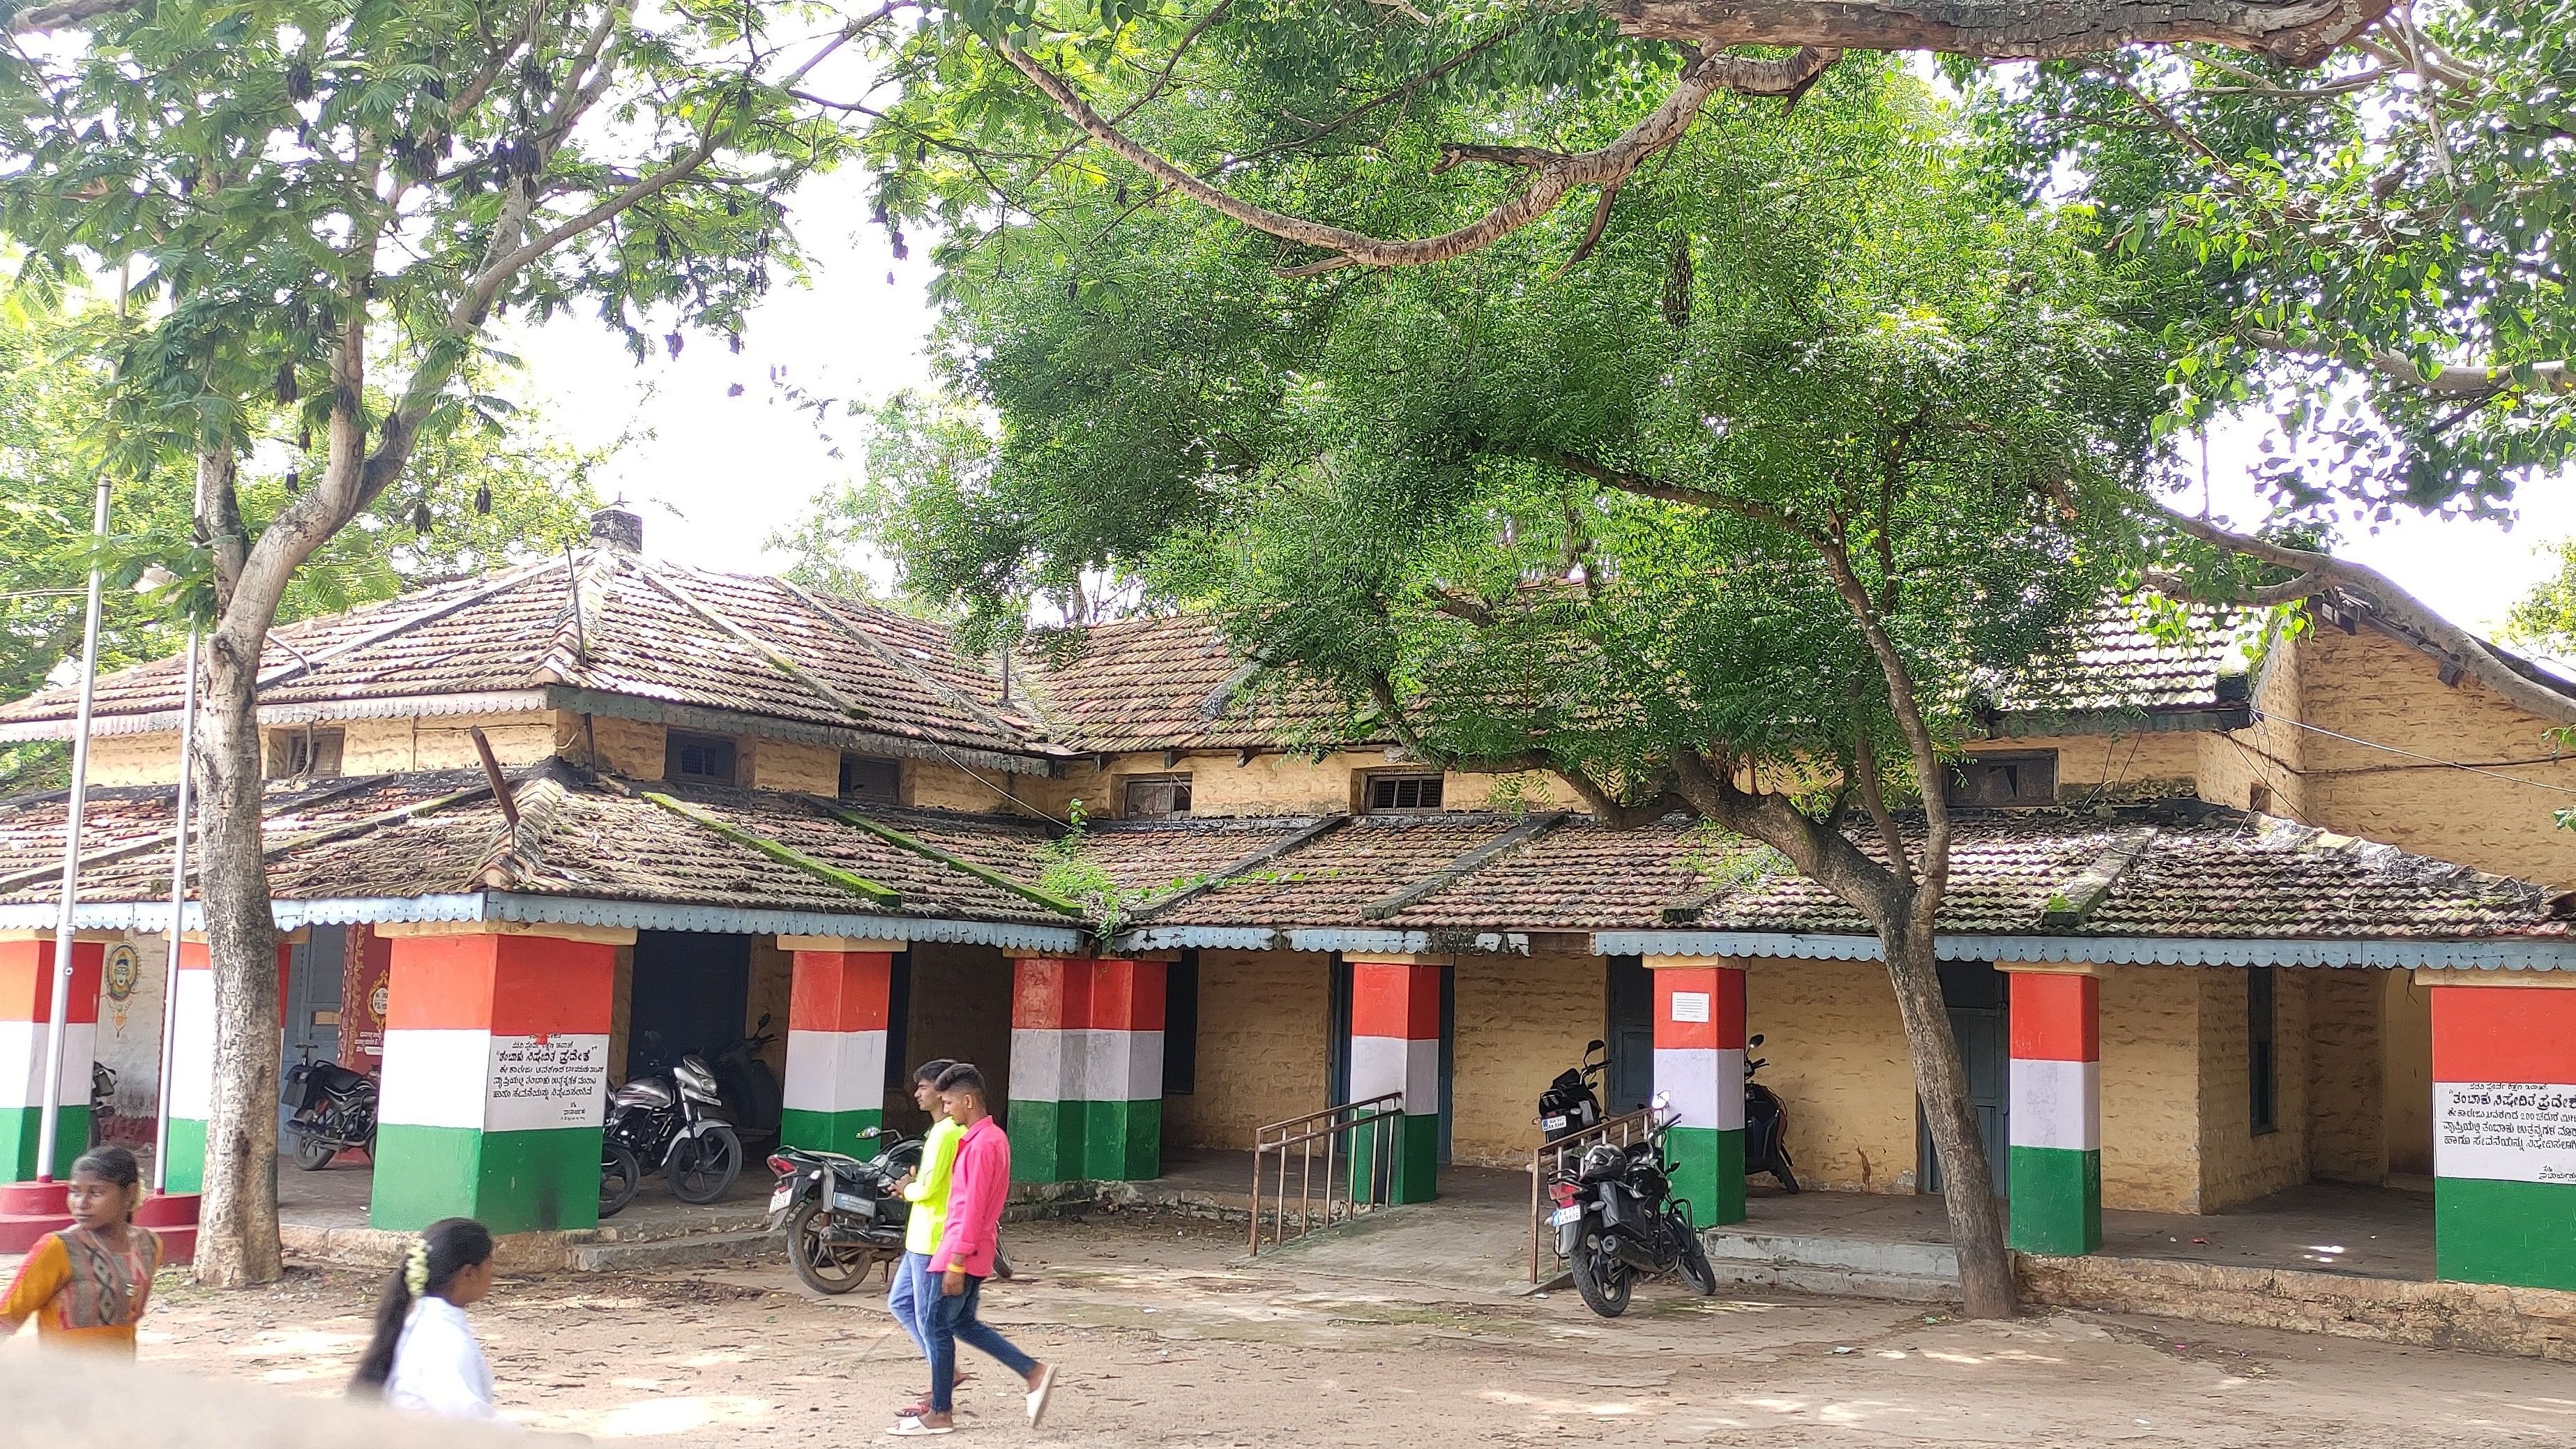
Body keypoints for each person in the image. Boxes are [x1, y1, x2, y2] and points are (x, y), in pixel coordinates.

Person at [890, 1063, 1055, 1437]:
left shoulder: (981, 1145)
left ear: (967, 1100)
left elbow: (973, 1209)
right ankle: (1033, 1372)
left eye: (949, 1102)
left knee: (934, 1327)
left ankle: (940, 1413)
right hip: (968, 1249)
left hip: (958, 1251)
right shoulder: (988, 1139)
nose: (945, 1110)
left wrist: (956, 1261)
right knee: (960, 1323)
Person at [1, 1144, 162, 1354]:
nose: (81, 1203)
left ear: (129, 1194)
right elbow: (7, 1315)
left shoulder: (148, 1245)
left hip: (120, 1381)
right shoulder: (59, 1248)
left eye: (96, 1192)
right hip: (65, 1381)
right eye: (75, 1192)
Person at [350, 1217, 498, 1419]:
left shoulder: (421, 1321)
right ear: (469, 1275)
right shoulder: (444, 1339)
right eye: (489, 1264)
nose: (493, 1274)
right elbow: (471, 1420)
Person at [888, 1057, 969, 1415]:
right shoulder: (939, 1132)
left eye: (924, 1087)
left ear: (944, 1092)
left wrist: (906, 1188)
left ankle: (942, 1389)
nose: (917, 1093)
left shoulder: (947, 1132)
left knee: (928, 1319)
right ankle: (946, 1371)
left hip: (932, 1236)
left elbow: (929, 1189)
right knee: (902, 1304)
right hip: (919, 1236)